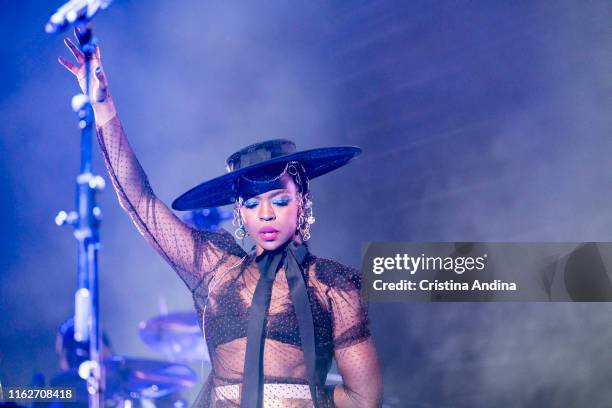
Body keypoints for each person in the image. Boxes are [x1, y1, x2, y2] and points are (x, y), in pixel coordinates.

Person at [58, 30, 383, 407]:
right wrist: (104, 109)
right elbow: (139, 202)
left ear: (302, 201)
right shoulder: (217, 268)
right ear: (239, 211)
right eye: (252, 203)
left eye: (279, 200)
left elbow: (364, 398)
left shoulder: (334, 285)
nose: (265, 214)